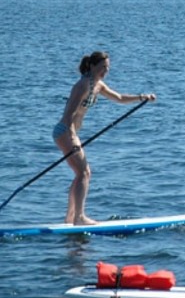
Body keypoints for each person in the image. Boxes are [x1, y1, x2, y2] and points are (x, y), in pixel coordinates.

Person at [53, 51, 156, 225]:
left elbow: (120, 98)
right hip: (65, 131)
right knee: (84, 173)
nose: (105, 71)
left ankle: (70, 218)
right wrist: (72, 138)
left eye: (107, 68)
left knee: (81, 174)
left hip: (70, 133)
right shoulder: (83, 85)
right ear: (92, 66)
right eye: (102, 67)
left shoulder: (98, 85)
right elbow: (69, 114)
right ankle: (79, 218)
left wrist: (141, 97)